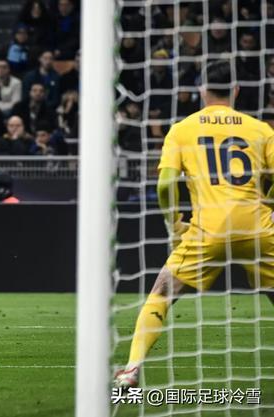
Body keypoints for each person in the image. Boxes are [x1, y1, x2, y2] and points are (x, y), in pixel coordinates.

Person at [114, 61, 274, 389]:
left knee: (161, 293)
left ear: (202, 91)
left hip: (208, 230)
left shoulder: (182, 129)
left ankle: (131, 370)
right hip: (257, 227)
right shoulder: (260, 130)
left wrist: (173, 224)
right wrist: (268, 204)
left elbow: (164, 186)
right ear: (236, 90)